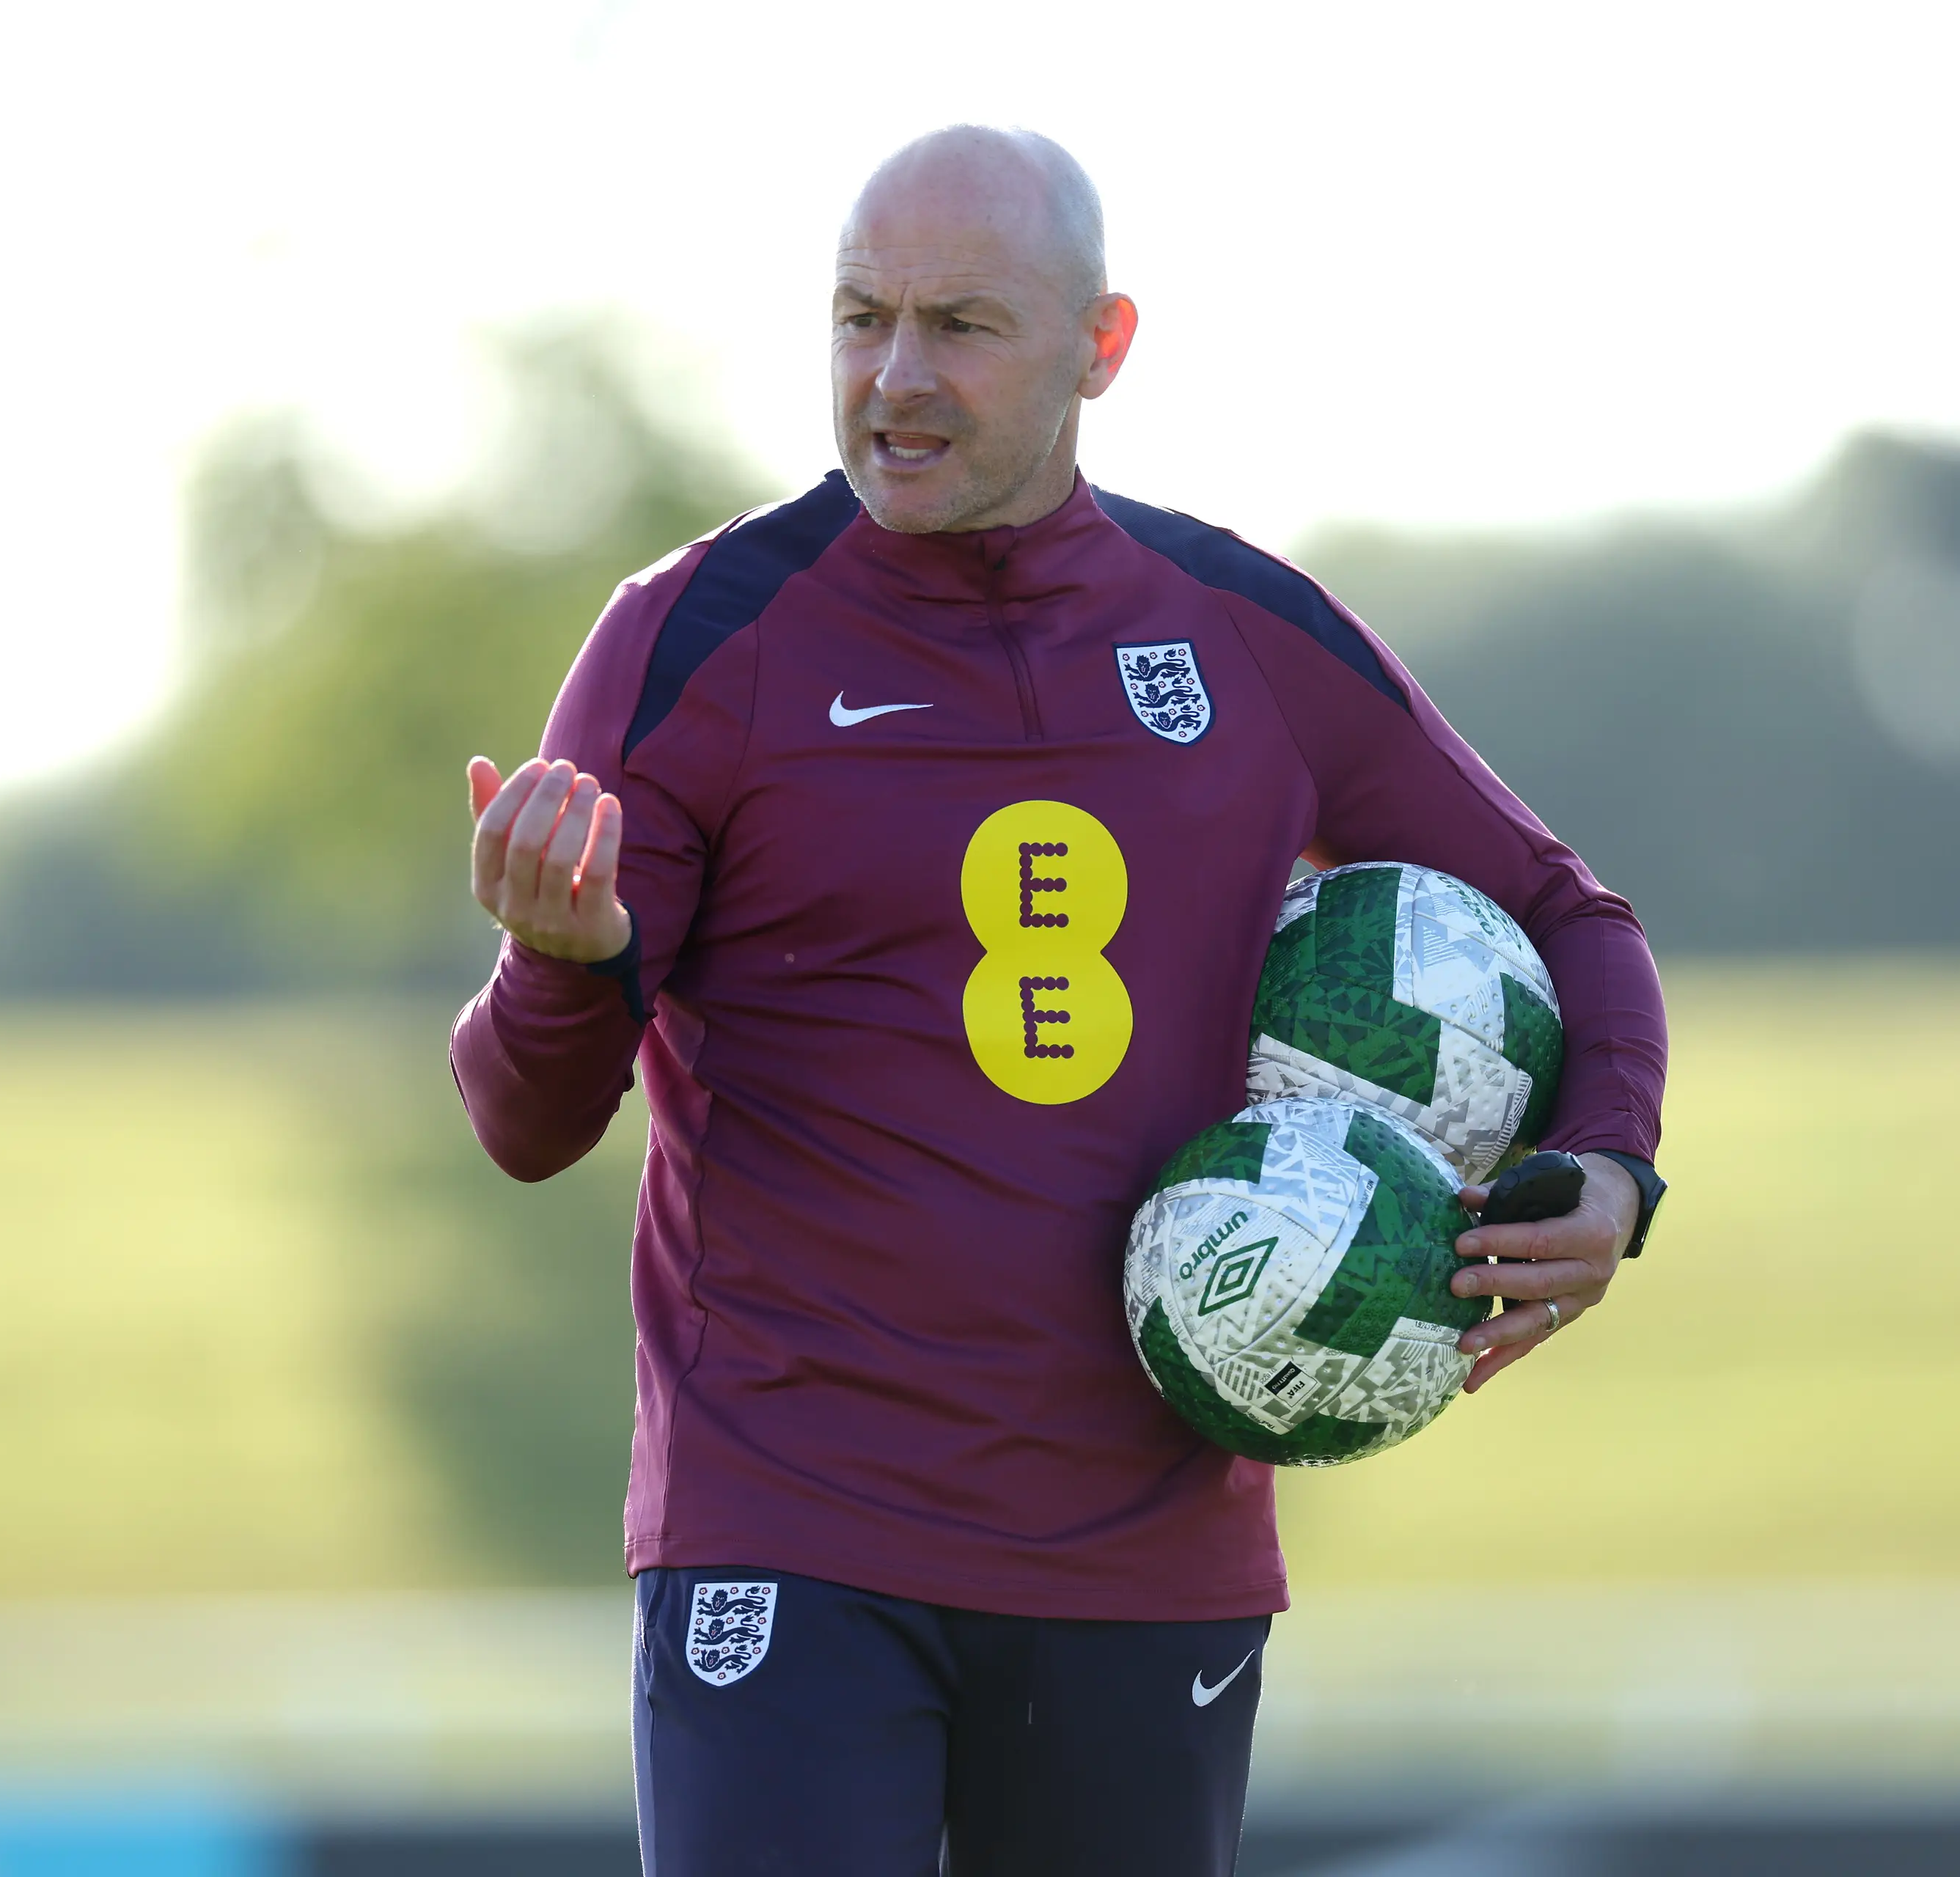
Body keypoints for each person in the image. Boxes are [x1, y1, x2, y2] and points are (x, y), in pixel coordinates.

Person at [452, 125, 1668, 1877]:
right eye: (860, 318)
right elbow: (519, 1117)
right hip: (787, 1521)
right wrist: (557, 968)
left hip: (1143, 1548)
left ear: (1103, 347)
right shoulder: (694, 637)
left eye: (962, 325)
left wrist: (1615, 1167)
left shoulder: (1237, 626)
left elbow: (1568, 914)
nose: (896, 379)